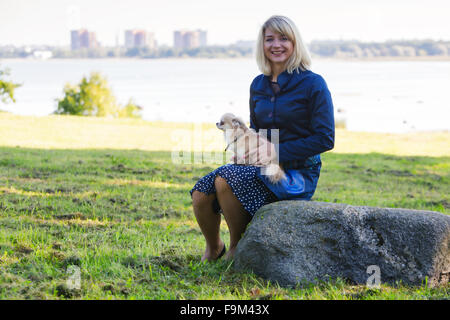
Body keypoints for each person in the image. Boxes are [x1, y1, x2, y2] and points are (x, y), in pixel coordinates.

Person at [190, 15, 335, 261]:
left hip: (296, 174)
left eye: (283, 39)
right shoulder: (258, 84)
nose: (276, 45)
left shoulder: (314, 84)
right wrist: (245, 150)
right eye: (269, 39)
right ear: (262, 44)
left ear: (295, 43)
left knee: (226, 179)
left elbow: (325, 138)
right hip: (259, 165)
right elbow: (257, 131)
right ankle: (215, 248)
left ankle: (238, 247)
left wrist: (275, 151)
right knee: (202, 191)